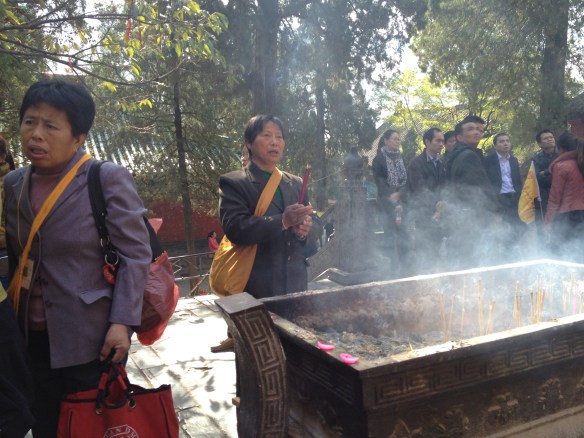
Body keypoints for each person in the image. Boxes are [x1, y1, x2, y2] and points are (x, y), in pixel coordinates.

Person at [4, 79, 151, 437]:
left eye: (50, 126)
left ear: (79, 137)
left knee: (91, 425)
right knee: (46, 426)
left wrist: (122, 323)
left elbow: (135, 254)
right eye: (29, 121)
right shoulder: (14, 184)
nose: (36, 134)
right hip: (29, 338)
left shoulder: (104, 178)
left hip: (92, 338)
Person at [211, 114, 322, 352]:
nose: (274, 142)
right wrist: (282, 221)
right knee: (258, 355)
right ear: (249, 143)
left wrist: (305, 230)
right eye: (267, 135)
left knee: (297, 353)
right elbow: (236, 228)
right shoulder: (235, 183)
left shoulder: (294, 183)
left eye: (279, 137)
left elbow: (316, 225)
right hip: (257, 286)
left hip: (295, 284)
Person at [443, 115, 500, 269]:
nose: (476, 132)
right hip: (474, 216)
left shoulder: (455, 154)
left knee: (463, 257)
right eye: (470, 129)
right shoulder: (468, 156)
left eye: (479, 130)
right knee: (476, 257)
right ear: (459, 137)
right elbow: (480, 188)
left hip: (460, 215)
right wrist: (495, 210)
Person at [405, 128, 445, 274]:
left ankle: (435, 278)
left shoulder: (441, 162)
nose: (441, 144)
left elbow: (445, 186)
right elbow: (420, 190)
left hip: (440, 212)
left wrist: (443, 202)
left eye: (442, 141)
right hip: (423, 213)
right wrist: (435, 208)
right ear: (427, 142)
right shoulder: (416, 163)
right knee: (424, 249)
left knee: (437, 248)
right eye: (438, 140)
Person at [372, 129, 408, 276]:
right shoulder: (378, 159)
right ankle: (391, 269)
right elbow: (380, 183)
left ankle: (405, 267)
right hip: (386, 203)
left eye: (399, 139)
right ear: (386, 141)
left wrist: (400, 195)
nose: (398, 141)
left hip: (402, 200)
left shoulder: (401, 157)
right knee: (389, 236)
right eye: (394, 139)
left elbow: (406, 180)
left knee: (404, 235)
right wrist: (394, 202)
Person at [544, 132, 584, 262]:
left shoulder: (561, 166)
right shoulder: (580, 162)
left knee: (563, 253)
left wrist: (548, 223)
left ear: (560, 148)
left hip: (569, 216)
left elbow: (555, 198)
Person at [484, 133, 524, 261]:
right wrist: (493, 204)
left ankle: (512, 255)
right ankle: (498, 257)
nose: (505, 143)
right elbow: (486, 183)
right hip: (499, 198)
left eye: (507, 141)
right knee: (500, 229)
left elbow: (517, 180)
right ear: (495, 145)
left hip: (513, 198)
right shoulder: (488, 161)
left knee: (516, 227)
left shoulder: (514, 160)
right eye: (501, 141)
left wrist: (518, 193)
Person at [532, 129, 558, 224]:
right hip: (543, 199)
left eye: (551, 137)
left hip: (560, 198)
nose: (550, 139)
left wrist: (546, 172)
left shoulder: (561, 155)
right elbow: (538, 179)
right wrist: (555, 174)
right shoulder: (535, 159)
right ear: (539, 144)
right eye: (546, 138)